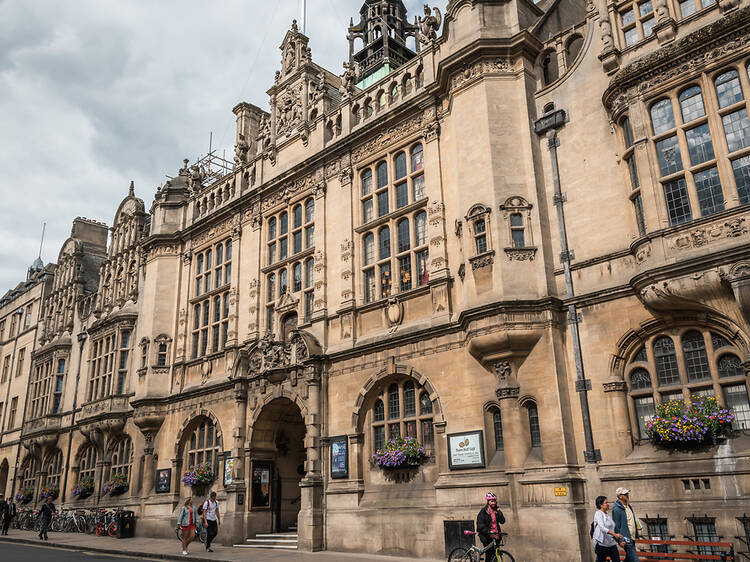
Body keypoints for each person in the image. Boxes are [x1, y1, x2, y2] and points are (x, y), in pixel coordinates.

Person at [612, 488, 641, 562]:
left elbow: (631, 520)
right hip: (626, 539)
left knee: (629, 558)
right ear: (620, 496)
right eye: (625, 494)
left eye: (627, 494)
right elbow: (616, 526)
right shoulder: (616, 509)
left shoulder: (628, 506)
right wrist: (620, 540)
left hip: (632, 537)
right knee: (635, 559)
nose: (627, 495)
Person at [476, 492, 506, 562]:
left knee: (495, 554)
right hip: (486, 536)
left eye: (495, 501)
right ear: (488, 501)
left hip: (496, 535)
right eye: (492, 501)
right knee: (489, 554)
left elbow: (503, 521)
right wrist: (488, 531)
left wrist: (499, 512)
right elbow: (480, 525)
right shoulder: (484, 511)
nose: (493, 503)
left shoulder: (496, 511)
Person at [593, 496, 623, 562]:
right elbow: (602, 528)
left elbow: (612, 528)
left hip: (611, 543)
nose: (608, 504)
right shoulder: (598, 514)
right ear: (600, 505)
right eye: (606, 503)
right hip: (602, 544)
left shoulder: (608, 514)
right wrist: (614, 534)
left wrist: (618, 540)